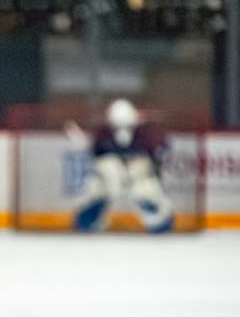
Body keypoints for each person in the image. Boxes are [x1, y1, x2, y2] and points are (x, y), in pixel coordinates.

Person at [73, 98, 174, 233]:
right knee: (95, 191)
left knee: (147, 192)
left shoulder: (146, 133)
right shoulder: (103, 133)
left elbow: (160, 149)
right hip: (109, 178)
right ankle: (88, 221)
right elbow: (97, 155)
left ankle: (158, 221)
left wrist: (152, 154)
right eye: (117, 127)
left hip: (138, 176)